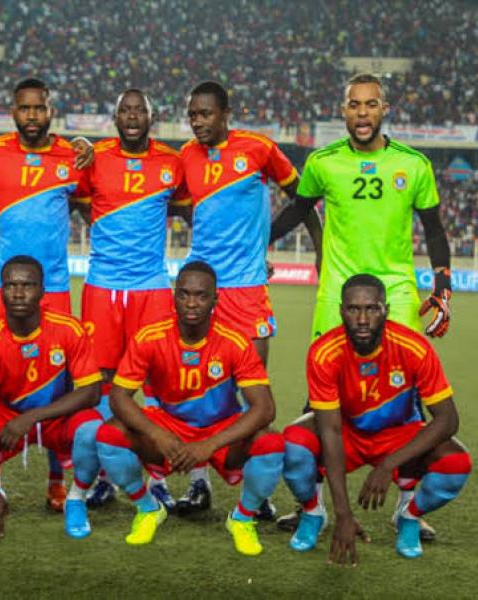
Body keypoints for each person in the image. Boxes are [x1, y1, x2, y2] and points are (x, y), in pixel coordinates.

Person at [270, 73, 452, 538]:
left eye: (371, 104)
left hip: (397, 290)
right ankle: (311, 506)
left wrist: (443, 278)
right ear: (344, 110)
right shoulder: (323, 162)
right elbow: (296, 211)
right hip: (337, 291)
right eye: (355, 104)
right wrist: (255, 247)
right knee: (318, 397)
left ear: (384, 109)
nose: (363, 112)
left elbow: (432, 227)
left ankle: (409, 506)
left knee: (407, 398)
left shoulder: (412, 165)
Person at [179, 80, 321, 515]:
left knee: (252, 391)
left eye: (205, 114)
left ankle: (254, 498)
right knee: (199, 390)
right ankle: (199, 485)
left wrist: (321, 251)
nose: (198, 122)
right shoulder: (186, 156)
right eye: (193, 116)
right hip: (203, 290)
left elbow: (304, 198)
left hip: (247, 291)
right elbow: (183, 206)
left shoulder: (259, 149)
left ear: (225, 113)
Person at [96, 261, 285, 554]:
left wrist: (208, 445)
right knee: (109, 435)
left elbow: (264, 409)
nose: (192, 303)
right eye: (184, 294)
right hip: (169, 425)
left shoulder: (235, 341)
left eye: (201, 295)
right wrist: (157, 434)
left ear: (215, 299)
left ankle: (242, 519)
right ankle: (148, 509)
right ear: (174, 296)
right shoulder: (150, 336)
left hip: (220, 429)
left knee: (271, 443)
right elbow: (119, 397)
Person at [282, 274, 470, 562]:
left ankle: (409, 516)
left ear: (386, 310)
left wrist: (388, 465)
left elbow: (448, 420)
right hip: (348, 432)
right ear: (341, 311)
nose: (362, 319)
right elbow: (330, 430)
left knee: (457, 463)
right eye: (353, 309)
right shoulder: (324, 352)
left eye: (372, 308)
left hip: (399, 435)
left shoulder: (413, 347)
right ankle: (313, 512)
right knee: (292, 442)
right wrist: (344, 515)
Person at [0, 77, 93, 510]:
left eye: (39, 108)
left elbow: (92, 208)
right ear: (13, 112)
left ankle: (57, 479)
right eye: (25, 108)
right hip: (3, 287)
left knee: (58, 383)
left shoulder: (72, 156)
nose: (32, 116)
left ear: (50, 111)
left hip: (54, 286)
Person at [73, 88, 188, 511]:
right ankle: (105, 469)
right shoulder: (95, 158)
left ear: (152, 117)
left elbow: (190, 211)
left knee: (158, 378)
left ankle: (156, 475)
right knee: (102, 378)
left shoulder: (171, 163)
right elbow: (73, 202)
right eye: (126, 110)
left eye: (141, 110)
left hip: (152, 286)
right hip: (103, 285)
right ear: (116, 117)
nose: (133, 116)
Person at [0, 256, 103, 539]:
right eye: (10, 285)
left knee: (95, 431)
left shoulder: (68, 329)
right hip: (7, 417)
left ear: (42, 291)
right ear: (0, 290)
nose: (17, 292)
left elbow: (92, 392)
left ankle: (76, 499)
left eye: (27, 285)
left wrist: (32, 416)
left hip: (53, 417)